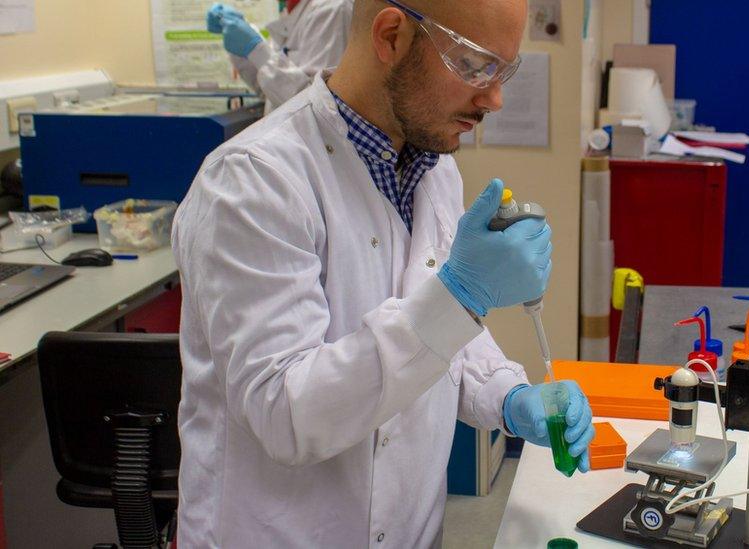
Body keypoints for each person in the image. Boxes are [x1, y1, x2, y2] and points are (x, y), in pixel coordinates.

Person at [173, 0, 596, 546]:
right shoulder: (253, 183)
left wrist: (508, 396)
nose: (495, 98)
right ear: (392, 36)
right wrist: (462, 295)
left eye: (504, 71)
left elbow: (431, 327)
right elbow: (285, 413)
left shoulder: (432, 165)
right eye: (475, 66)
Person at [207, 0, 354, 112]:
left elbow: (318, 109)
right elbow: (269, 94)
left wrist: (256, 50)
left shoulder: (332, 9)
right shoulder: (291, 13)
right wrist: (241, 48)